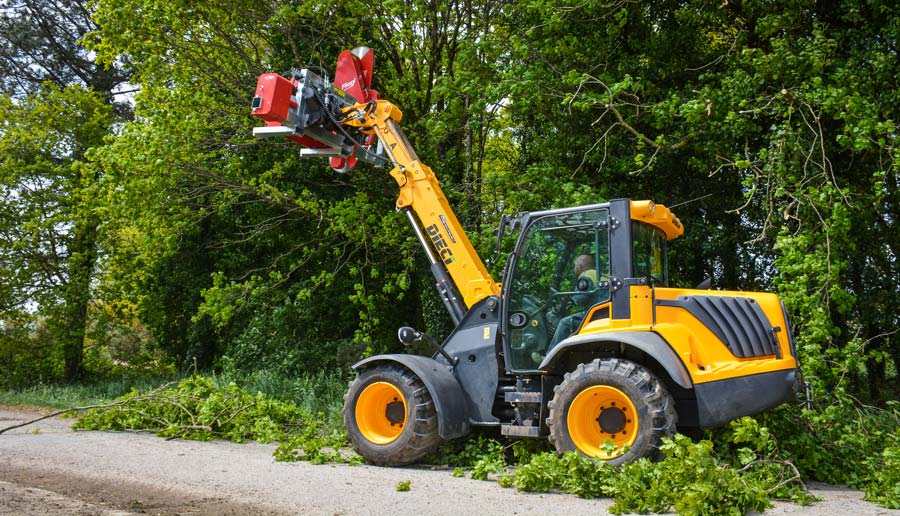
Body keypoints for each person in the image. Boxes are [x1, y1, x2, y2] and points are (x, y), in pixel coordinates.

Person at [532, 254, 599, 364]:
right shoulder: (600, 274)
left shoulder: (586, 276)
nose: (574, 269)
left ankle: (549, 358)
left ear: (580, 267)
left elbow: (579, 298)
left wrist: (568, 301)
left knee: (564, 322)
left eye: (574, 266)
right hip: (602, 311)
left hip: (594, 314)